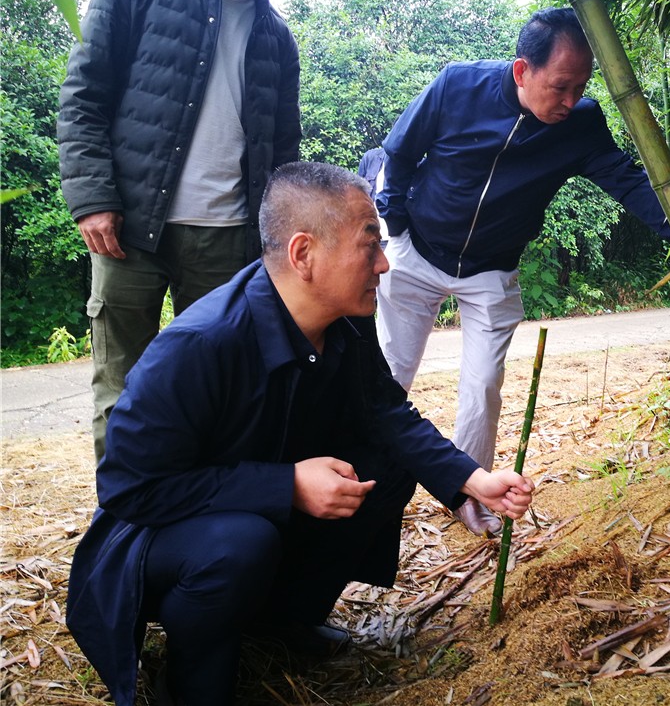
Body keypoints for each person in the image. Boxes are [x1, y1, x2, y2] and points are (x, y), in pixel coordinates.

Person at [65, 162, 536, 706]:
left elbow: (387, 414)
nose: (384, 265)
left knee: (384, 467)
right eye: (370, 247)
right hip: (157, 543)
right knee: (240, 545)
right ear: (303, 254)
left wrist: (473, 480)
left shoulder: (346, 318)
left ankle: (282, 618)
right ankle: (192, 681)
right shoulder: (199, 346)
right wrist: (285, 484)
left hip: (252, 510)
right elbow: (128, 491)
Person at [375, 7, 670, 536]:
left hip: (491, 268)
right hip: (417, 251)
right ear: (521, 71)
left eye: (581, 86)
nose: (570, 100)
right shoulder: (456, 86)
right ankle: (365, 480)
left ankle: (467, 494)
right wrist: (395, 228)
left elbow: (631, 184)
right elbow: (397, 154)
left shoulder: (580, 123)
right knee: (389, 374)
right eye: (561, 86)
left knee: (483, 385)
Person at [58, 0, 301, 461]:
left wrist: (274, 240)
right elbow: (84, 95)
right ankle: (122, 524)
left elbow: (283, 150)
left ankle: (200, 520)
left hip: (231, 237)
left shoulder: (277, 37)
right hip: (129, 227)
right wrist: (93, 197)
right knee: (122, 385)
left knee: (220, 388)